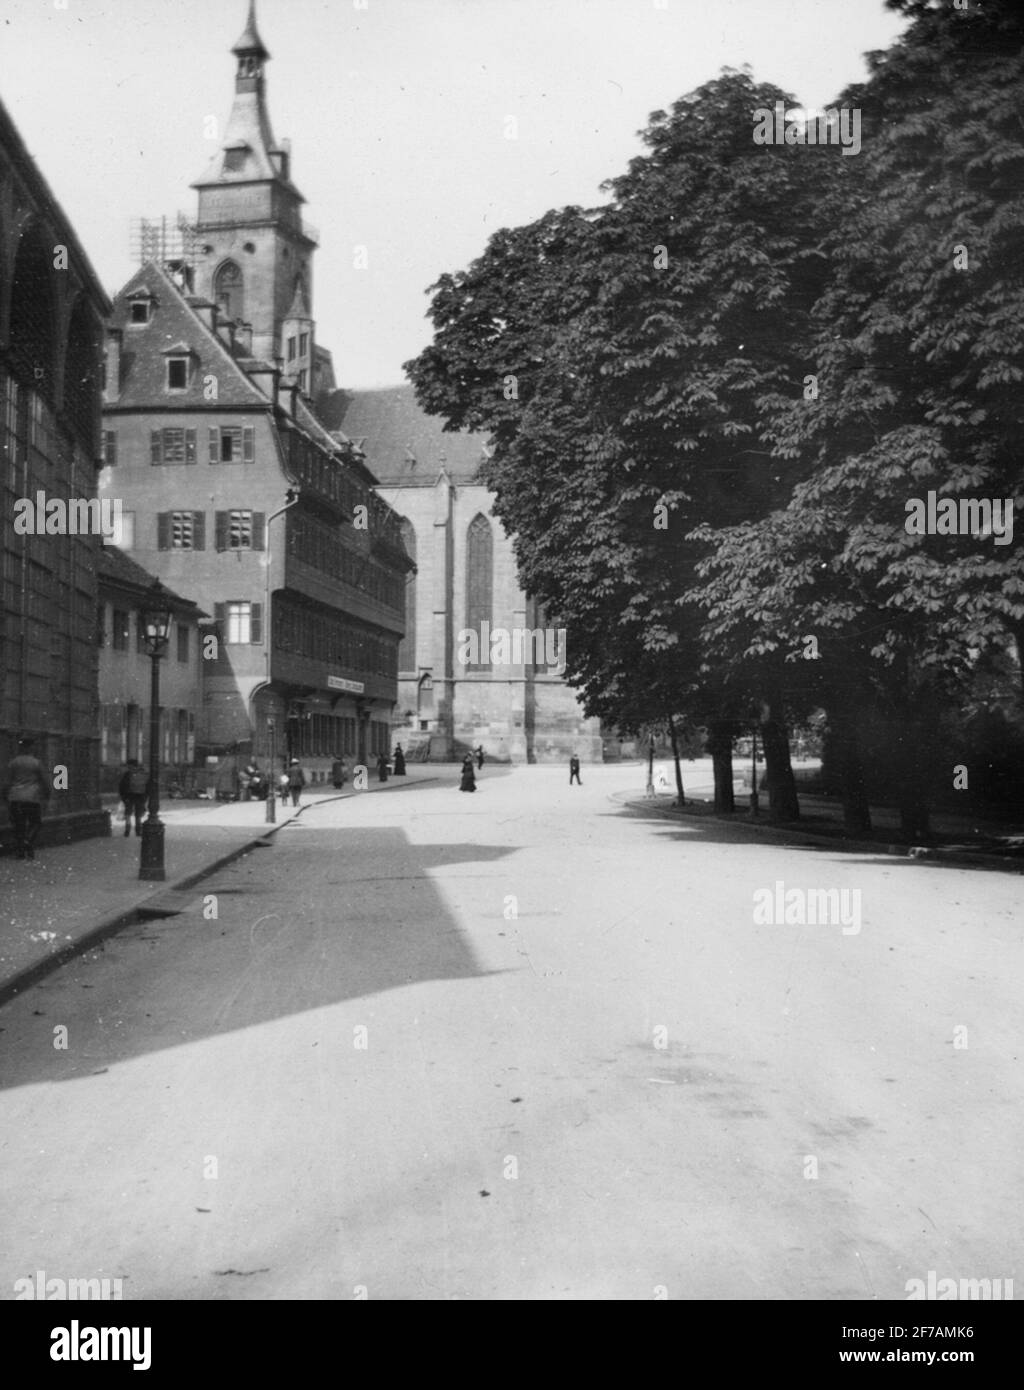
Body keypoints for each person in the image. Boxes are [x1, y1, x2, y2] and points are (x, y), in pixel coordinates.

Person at [4, 737, 50, 860]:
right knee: (35, 822)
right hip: (32, 797)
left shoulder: (13, 763)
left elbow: (7, 782)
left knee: (19, 825)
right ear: (32, 747)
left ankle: (20, 852)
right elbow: (45, 780)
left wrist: (4, 795)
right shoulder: (36, 763)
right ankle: (28, 841)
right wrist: (47, 794)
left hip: (15, 797)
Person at [118, 757, 149, 836]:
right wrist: (145, 797)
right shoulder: (143, 773)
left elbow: (122, 786)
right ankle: (138, 831)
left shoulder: (127, 774)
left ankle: (127, 830)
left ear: (130, 766)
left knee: (128, 813)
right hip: (140, 796)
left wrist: (123, 797)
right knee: (138, 815)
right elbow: (147, 786)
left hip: (129, 796)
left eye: (129, 766)